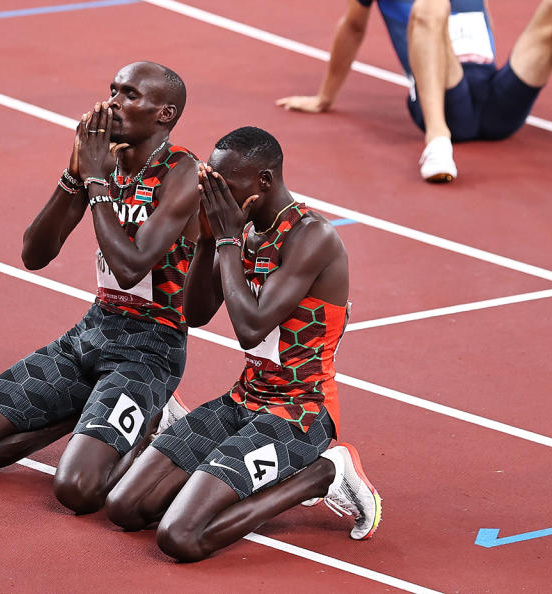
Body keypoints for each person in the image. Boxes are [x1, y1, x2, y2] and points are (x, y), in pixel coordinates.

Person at [105, 126, 381, 561]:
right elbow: (194, 315)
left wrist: (228, 240)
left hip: (299, 413)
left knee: (181, 538)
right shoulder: (241, 233)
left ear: (265, 181)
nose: (213, 195)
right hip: (244, 399)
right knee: (125, 507)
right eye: (209, 183)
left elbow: (251, 327)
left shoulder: (312, 237)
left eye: (224, 186)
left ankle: (322, 474)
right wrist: (210, 239)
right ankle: (221, 469)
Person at [0, 62, 200, 514]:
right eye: (113, 90)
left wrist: (95, 181)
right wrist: (74, 172)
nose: (112, 103)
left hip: (151, 350)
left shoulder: (183, 174)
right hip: (93, 331)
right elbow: (34, 255)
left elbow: (132, 266)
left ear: (164, 113)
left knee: (77, 490)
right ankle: (93, 410)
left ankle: (153, 424)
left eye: (130, 95)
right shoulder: (104, 163)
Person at [276, 0, 552, 182]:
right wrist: (325, 97)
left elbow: (482, 22)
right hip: (444, 103)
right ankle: (437, 142)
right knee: (430, 6)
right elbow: (353, 28)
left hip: (492, 99)